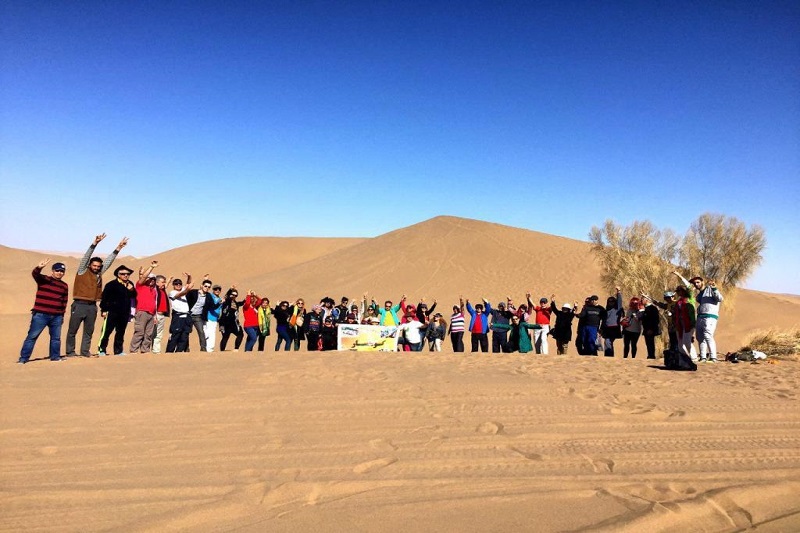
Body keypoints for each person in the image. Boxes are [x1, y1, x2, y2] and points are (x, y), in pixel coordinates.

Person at [65, 234, 127, 357]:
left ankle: (84, 352)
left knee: (89, 331)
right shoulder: (82, 270)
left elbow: (108, 262)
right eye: (94, 266)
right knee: (73, 330)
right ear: (89, 265)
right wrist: (95, 243)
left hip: (92, 306)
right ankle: (70, 352)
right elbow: (85, 257)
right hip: (79, 304)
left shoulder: (99, 273)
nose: (96, 268)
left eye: (98, 266)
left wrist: (118, 248)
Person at [19, 259, 69, 364]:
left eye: (62, 271)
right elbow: (35, 274)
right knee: (32, 336)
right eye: (57, 270)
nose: (59, 273)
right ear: (52, 271)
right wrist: (39, 267)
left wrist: (62, 315)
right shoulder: (44, 279)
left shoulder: (64, 285)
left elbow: (64, 301)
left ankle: (55, 357)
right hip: (41, 314)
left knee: (56, 338)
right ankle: (23, 359)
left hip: (57, 316)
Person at [676, 272, 724, 363]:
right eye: (695, 283)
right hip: (700, 316)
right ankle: (703, 357)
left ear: (702, 282)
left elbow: (720, 299)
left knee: (708, 335)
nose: (696, 284)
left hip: (710, 316)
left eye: (698, 282)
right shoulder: (699, 295)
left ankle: (713, 357)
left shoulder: (710, 289)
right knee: (700, 337)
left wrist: (714, 288)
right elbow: (691, 290)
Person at [98, 265, 136, 356]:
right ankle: (101, 349)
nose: (125, 275)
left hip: (124, 313)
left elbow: (133, 296)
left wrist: (131, 289)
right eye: (123, 274)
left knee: (120, 332)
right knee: (106, 332)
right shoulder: (111, 284)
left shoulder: (130, 284)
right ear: (118, 275)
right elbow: (104, 298)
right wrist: (103, 310)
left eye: (127, 274)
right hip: (112, 312)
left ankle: (118, 350)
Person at [129, 261, 158, 354]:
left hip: (151, 314)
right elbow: (143, 277)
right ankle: (133, 350)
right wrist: (151, 267)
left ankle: (145, 350)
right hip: (142, 312)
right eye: (150, 278)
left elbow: (154, 303)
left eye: (154, 279)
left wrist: (154, 316)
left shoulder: (153, 290)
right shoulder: (140, 286)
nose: (152, 280)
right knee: (139, 332)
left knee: (148, 334)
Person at [186, 277, 218, 352]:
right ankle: (186, 348)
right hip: (189, 315)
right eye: (205, 286)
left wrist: (220, 302)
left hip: (198, 317)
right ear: (201, 286)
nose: (207, 288)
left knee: (201, 332)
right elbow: (186, 298)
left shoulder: (208, 296)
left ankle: (203, 348)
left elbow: (212, 306)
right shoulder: (193, 292)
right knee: (186, 332)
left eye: (209, 287)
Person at [166, 276, 193, 352]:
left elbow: (187, 284)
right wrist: (188, 289)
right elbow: (182, 293)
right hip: (178, 317)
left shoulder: (183, 290)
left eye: (180, 284)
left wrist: (189, 276)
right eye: (176, 284)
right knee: (175, 335)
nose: (178, 285)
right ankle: (169, 352)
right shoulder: (172, 292)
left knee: (185, 335)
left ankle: (179, 352)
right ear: (173, 285)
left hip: (186, 316)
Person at [673, 285, 696, 359]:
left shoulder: (690, 299)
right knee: (680, 343)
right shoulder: (678, 301)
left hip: (688, 323)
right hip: (679, 324)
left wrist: (678, 275)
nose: (678, 292)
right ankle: (685, 358)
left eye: (680, 291)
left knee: (687, 341)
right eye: (678, 291)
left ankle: (694, 357)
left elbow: (689, 287)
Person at [151, 274, 172, 354]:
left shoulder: (162, 290)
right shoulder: (155, 290)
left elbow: (165, 286)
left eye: (164, 282)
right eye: (162, 282)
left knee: (159, 334)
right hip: (155, 315)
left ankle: (156, 351)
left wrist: (169, 280)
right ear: (157, 282)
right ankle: (147, 350)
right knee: (152, 333)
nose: (164, 284)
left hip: (162, 315)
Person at [601, 288, 623, 357]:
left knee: (608, 342)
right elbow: (604, 320)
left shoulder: (617, 309)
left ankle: (609, 356)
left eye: (612, 301)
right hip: (606, 329)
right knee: (608, 342)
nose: (611, 303)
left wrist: (618, 292)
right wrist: (601, 329)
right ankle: (609, 356)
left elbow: (619, 302)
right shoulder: (606, 310)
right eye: (609, 301)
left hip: (614, 328)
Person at [639, 294, 661, 360]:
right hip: (646, 329)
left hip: (650, 329)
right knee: (648, 343)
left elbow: (656, 320)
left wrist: (651, 329)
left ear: (647, 300)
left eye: (642, 299)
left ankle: (651, 356)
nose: (641, 300)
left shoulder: (652, 308)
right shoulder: (646, 309)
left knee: (650, 343)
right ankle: (650, 355)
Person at [205, 285, 223, 352]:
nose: (217, 290)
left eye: (219, 289)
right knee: (207, 334)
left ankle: (210, 349)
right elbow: (205, 291)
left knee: (212, 334)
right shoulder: (210, 296)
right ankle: (207, 349)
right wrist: (206, 279)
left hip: (215, 319)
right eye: (215, 289)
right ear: (213, 290)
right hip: (208, 318)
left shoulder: (220, 299)